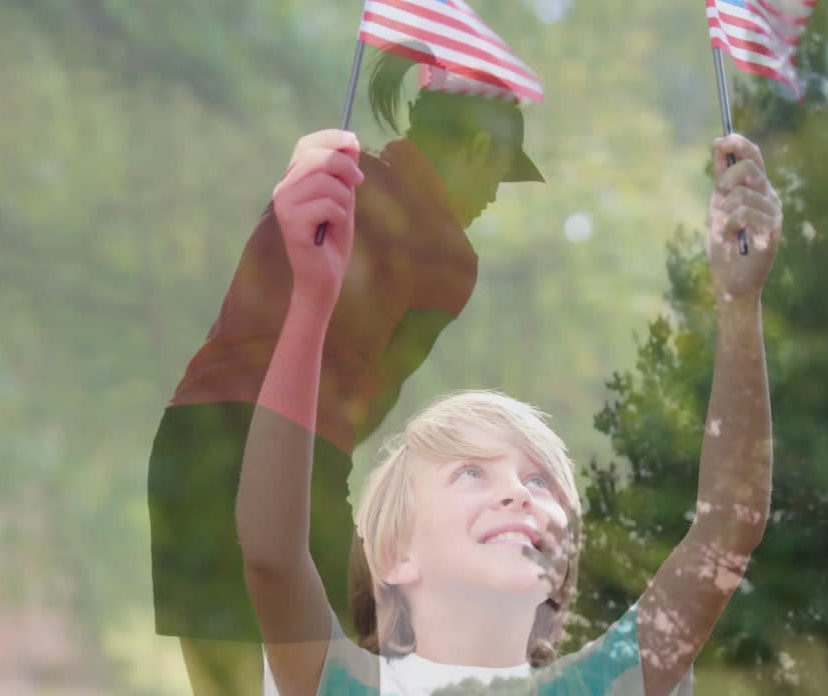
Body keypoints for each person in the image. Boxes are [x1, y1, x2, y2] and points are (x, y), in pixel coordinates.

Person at [240, 131, 783, 696]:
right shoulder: (344, 685)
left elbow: (727, 530)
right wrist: (309, 300)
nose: (519, 494)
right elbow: (271, 553)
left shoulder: (604, 685)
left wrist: (739, 305)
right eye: (470, 472)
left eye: (541, 482)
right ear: (395, 555)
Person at [148, 51, 546, 696]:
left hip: (187, 435)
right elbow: (370, 399)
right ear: (476, 148)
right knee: (348, 672)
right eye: (500, 173)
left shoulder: (324, 182)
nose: (495, 194)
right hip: (294, 445)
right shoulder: (449, 258)